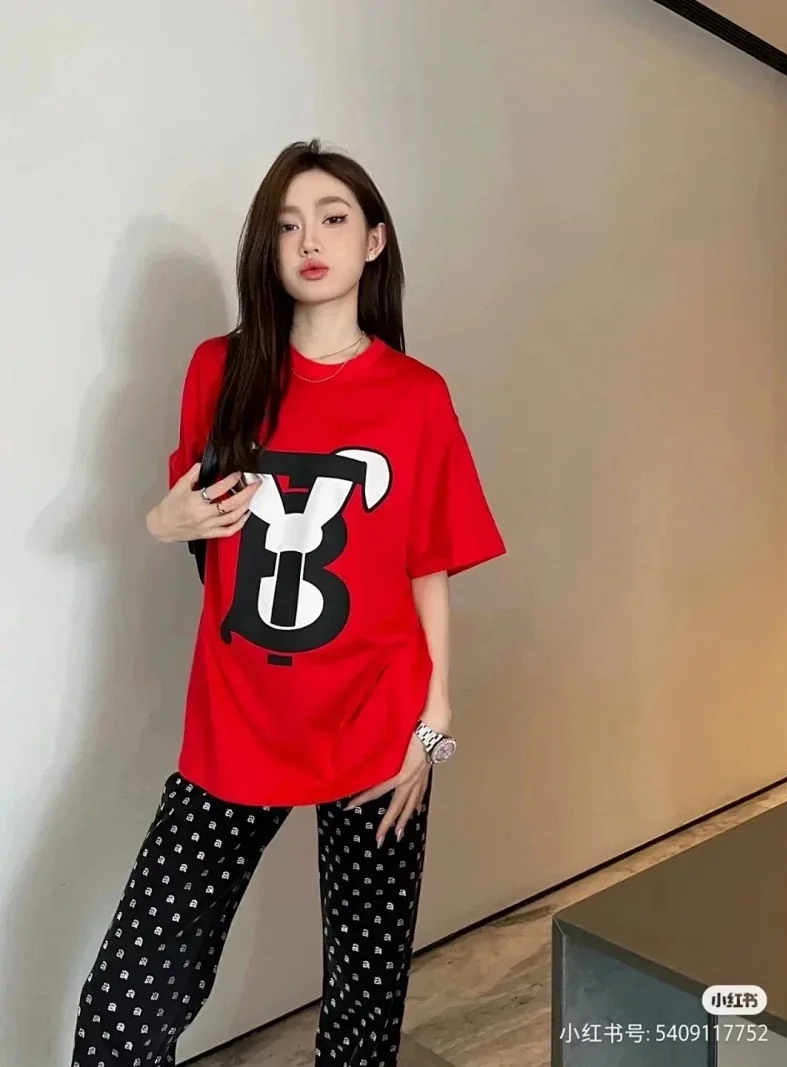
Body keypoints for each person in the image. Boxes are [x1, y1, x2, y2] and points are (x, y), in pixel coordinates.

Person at [71, 139, 505, 1067]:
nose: (310, 240)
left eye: (333, 219)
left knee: (363, 1016)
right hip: (239, 720)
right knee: (125, 1009)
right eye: (287, 224)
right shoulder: (219, 370)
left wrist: (433, 725)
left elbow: (428, 561)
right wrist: (161, 519)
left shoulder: (417, 397)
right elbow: (189, 519)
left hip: (378, 722)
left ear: (374, 240)